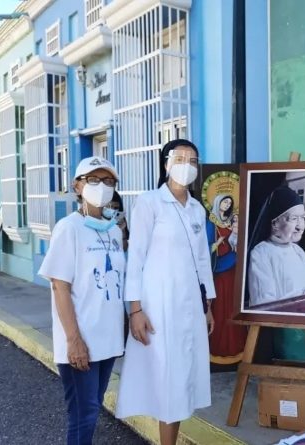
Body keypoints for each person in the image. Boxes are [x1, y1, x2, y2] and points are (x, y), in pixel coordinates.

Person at [115, 139, 215, 445]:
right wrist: (135, 310)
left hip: (191, 305)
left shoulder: (197, 209)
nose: (187, 165)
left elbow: (202, 261)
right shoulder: (149, 203)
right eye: (180, 159)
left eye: (192, 160)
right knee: (165, 379)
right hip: (158, 305)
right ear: (166, 164)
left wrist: (208, 306)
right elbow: (136, 258)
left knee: (182, 378)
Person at [38, 156, 125, 444]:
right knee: (83, 414)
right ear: (77, 186)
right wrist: (74, 340)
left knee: (92, 408)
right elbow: (59, 287)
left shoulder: (114, 231)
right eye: (93, 180)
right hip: (81, 340)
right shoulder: (69, 228)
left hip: (108, 339)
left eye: (108, 181)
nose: (102, 186)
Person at [247, 186, 305, 307]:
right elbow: (263, 305)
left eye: (303, 218)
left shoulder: (297, 250)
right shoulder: (261, 253)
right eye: (294, 219)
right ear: (275, 223)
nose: (300, 226)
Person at [206, 194, 246, 366]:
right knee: (220, 308)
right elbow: (205, 249)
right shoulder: (211, 224)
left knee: (233, 307)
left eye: (229, 202)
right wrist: (217, 244)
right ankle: (218, 348)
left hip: (234, 270)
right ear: (217, 203)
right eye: (224, 202)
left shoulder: (233, 222)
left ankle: (237, 347)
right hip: (220, 271)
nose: (227, 205)